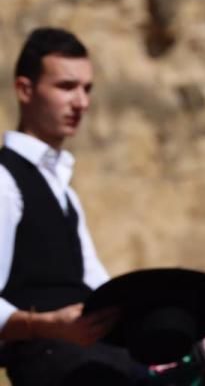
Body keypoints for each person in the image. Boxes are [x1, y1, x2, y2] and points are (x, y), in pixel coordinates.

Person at [0, 27, 148, 385]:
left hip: (96, 359)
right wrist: (47, 326)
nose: (81, 102)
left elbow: (97, 283)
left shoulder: (65, 192)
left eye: (87, 88)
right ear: (25, 90)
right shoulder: (4, 181)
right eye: (66, 87)